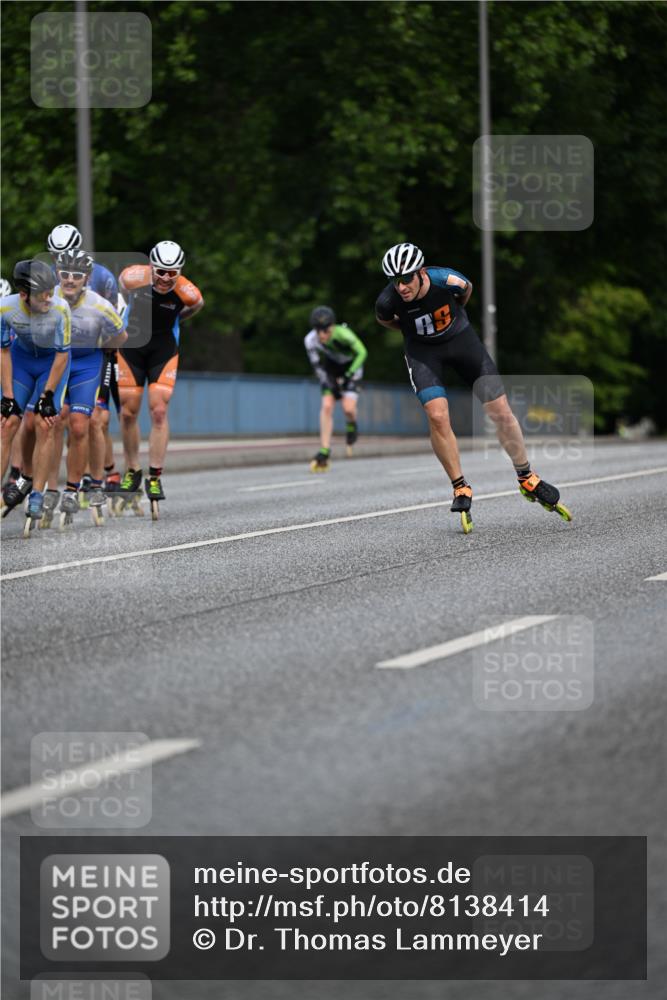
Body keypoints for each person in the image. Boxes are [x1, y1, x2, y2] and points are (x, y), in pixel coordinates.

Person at [375, 242, 570, 532]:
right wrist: (412, 331)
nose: (401, 286)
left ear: (421, 273)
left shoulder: (447, 280)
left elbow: (466, 292)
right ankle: (460, 486)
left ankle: (526, 477)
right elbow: (386, 321)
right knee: (438, 416)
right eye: (395, 280)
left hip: (461, 341)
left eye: (406, 279)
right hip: (423, 353)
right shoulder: (387, 301)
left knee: (501, 411)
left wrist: (453, 318)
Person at [25, 250, 126, 527]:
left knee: (81, 425)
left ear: (87, 278)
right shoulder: (48, 297)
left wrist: (104, 348)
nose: (70, 280)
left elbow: (122, 334)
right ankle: (49, 489)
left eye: (77, 275)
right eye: (65, 274)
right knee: (51, 424)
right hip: (56, 362)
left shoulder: (100, 305)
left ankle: (72, 489)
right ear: (57, 273)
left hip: (86, 364)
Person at [116, 240, 204, 511]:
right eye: (161, 272)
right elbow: (121, 292)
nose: (166, 278)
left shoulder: (188, 292)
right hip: (132, 346)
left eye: (172, 273)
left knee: (158, 411)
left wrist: (175, 320)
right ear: (151, 267)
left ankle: (154, 475)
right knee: (129, 412)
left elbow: (195, 307)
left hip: (163, 348)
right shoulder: (132, 277)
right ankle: (132, 468)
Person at [46, 223, 123, 494]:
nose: (60, 259)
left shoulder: (101, 277)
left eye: (64, 252)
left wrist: (104, 346)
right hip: (62, 355)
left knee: (96, 419)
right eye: (54, 254)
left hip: (98, 352)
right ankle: (61, 481)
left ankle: (103, 473)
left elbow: (115, 320)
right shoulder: (51, 280)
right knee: (59, 419)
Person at [0, 259, 71, 528]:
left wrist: (48, 395)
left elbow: (63, 356)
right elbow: (4, 351)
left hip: (52, 365)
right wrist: (7, 396)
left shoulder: (60, 309)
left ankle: (37, 494)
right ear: (23, 295)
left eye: (51, 291)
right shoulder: (5, 308)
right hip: (22, 362)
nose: (49, 298)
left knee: (45, 423)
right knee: (7, 424)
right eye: (43, 293)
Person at [305, 305, 367, 471]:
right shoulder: (310, 340)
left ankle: (352, 425)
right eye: (318, 330)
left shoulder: (343, 334)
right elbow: (317, 365)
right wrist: (329, 382)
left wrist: (348, 375)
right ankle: (324, 449)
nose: (322, 335)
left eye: (326, 330)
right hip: (331, 369)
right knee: (326, 406)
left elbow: (362, 353)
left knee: (348, 409)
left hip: (351, 367)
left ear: (332, 326)